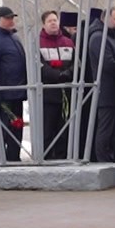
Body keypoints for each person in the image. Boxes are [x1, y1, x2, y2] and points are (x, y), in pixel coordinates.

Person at [81, 7, 115, 162]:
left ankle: (110, 158)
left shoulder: (113, 36)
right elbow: (107, 63)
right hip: (107, 91)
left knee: (113, 130)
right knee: (105, 129)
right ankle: (103, 159)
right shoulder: (98, 37)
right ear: (104, 19)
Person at [0, 6, 27, 162]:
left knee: (17, 127)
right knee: (3, 127)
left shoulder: (13, 37)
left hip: (18, 90)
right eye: (8, 18)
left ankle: (14, 157)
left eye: (12, 18)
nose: (11, 21)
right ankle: (0, 159)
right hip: (4, 93)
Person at [38, 11, 77, 159]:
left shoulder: (68, 42)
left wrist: (68, 74)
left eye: (55, 20)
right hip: (48, 93)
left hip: (65, 92)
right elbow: (40, 65)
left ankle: (62, 156)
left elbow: (76, 63)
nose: (53, 23)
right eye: (50, 21)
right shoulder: (39, 42)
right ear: (44, 24)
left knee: (64, 127)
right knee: (48, 128)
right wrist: (58, 76)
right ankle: (47, 157)